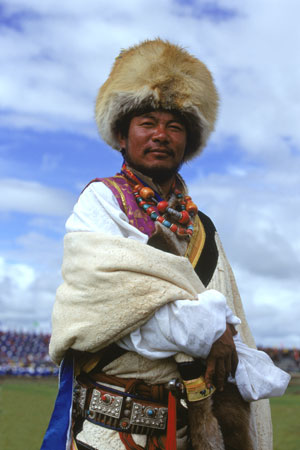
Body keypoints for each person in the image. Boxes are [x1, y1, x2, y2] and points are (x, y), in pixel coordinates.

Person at [42, 39, 289, 450]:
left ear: (187, 143)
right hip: (111, 432)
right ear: (122, 135)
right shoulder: (101, 202)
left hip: (192, 430)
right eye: (147, 122)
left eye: (174, 126)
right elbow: (113, 305)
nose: (161, 135)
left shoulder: (202, 227)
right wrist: (210, 329)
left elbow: (232, 327)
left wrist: (221, 335)